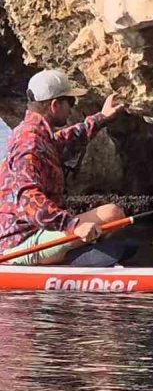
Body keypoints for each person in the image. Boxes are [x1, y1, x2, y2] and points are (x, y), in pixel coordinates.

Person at [0, 70, 131, 266]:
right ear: (55, 105)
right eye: (70, 102)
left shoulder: (38, 136)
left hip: (35, 232)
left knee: (112, 222)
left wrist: (101, 118)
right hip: (19, 245)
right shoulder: (30, 143)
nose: (71, 109)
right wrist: (72, 225)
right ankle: (76, 261)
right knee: (111, 214)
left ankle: (80, 257)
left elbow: (66, 141)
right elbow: (28, 197)